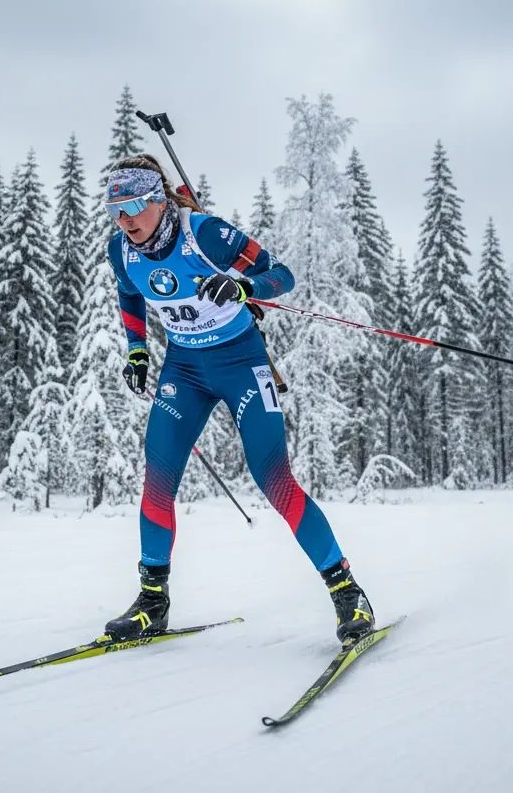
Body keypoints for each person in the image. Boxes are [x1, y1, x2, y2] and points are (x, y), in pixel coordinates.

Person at [102, 154, 375, 647]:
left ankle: (347, 592)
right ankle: (152, 602)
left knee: (274, 480)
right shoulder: (122, 250)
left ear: (159, 201)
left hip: (241, 364)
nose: (125, 220)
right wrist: (139, 352)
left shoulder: (203, 233)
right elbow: (130, 296)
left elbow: (281, 276)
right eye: (115, 210)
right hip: (183, 370)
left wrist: (244, 285)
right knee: (158, 478)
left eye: (134, 206)